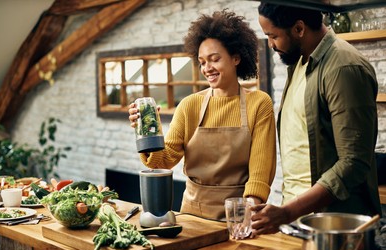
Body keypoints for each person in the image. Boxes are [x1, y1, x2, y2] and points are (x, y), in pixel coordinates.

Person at [129, 9, 276, 222]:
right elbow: (163, 161)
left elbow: (260, 174)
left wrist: (245, 216)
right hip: (192, 215)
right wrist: (147, 132)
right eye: (202, 62)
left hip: (238, 214)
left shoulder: (259, 104)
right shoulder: (190, 105)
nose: (207, 68)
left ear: (236, 58)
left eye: (214, 59)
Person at [251, 2, 382, 235]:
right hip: (297, 223)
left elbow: (353, 162)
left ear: (299, 28)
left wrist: (288, 211)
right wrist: (286, 213)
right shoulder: (301, 62)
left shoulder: (343, 67)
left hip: (335, 228)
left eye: (273, 36)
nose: (270, 45)